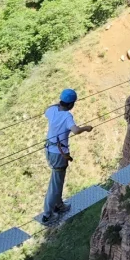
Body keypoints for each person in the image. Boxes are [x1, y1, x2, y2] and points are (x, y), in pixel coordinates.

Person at [40, 88, 93, 225]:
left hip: (50, 150)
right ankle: (47, 214)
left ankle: (59, 205)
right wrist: (86, 128)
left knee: (57, 181)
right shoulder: (67, 116)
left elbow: (47, 108)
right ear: (71, 105)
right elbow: (75, 130)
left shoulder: (52, 111)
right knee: (56, 184)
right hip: (59, 154)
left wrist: (58, 105)